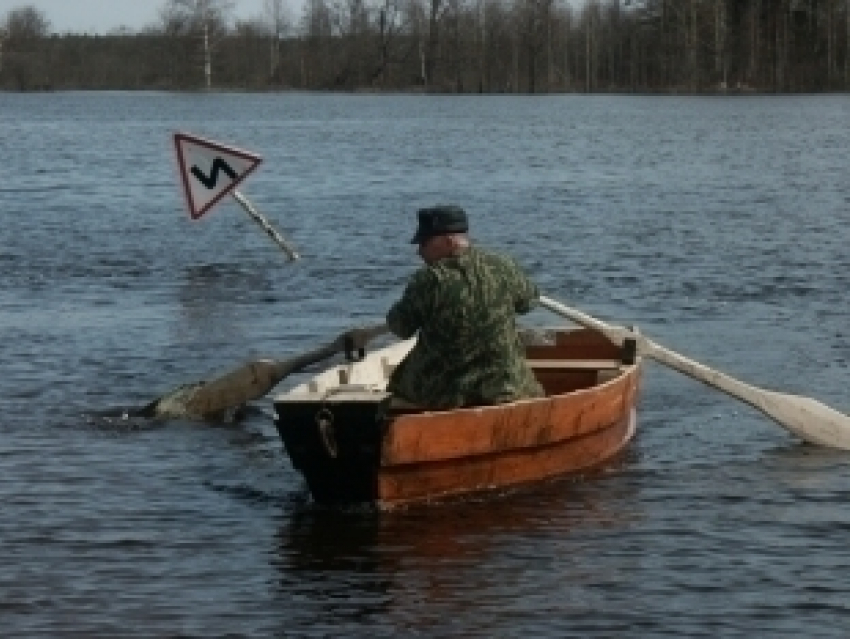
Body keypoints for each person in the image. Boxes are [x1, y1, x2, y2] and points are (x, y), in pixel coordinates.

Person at [385, 204, 544, 409]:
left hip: (445, 393)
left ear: (449, 241)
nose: (419, 251)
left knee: (396, 385)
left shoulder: (429, 279)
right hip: (506, 386)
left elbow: (400, 327)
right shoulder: (503, 266)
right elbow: (528, 302)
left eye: (424, 242)